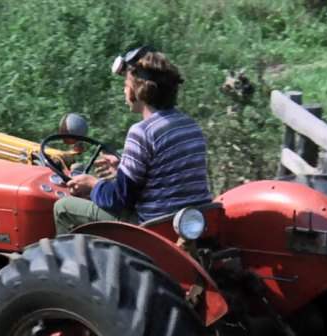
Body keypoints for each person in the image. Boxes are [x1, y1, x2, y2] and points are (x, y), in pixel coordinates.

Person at [53, 47, 211, 234]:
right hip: (190, 222)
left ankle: (69, 262)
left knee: (62, 208)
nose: (124, 90)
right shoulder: (189, 125)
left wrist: (92, 184)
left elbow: (119, 200)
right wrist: (122, 168)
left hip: (155, 226)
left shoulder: (142, 132)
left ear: (138, 90)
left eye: (126, 84)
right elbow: (165, 178)